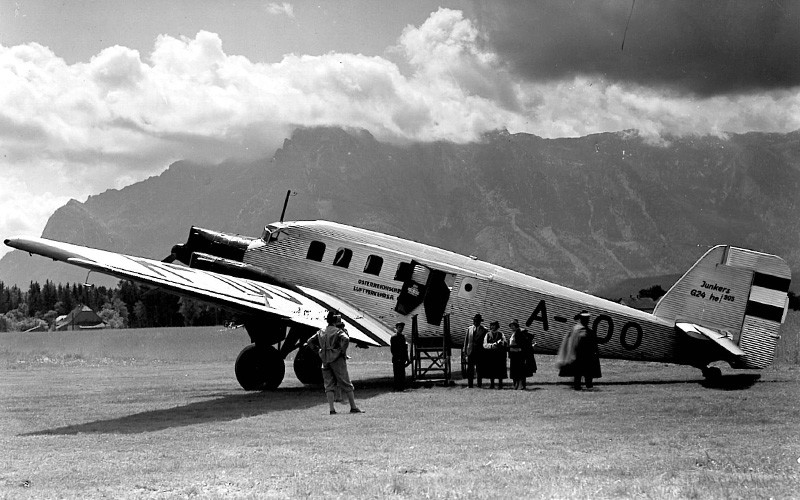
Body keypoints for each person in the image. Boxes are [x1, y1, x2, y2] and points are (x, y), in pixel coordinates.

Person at [305, 311, 363, 414]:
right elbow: (346, 339)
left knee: (328, 385)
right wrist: (342, 351)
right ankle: (353, 407)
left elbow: (309, 341)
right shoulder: (337, 331)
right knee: (346, 383)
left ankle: (332, 409)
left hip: (325, 359)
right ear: (335, 321)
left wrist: (318, 351)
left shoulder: (321, 331)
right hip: (337, 359)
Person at [556, 310, 602, 390]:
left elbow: (593, 343)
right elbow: (571, 343)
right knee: (578, 372)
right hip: (578, 355)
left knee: (587, 372)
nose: (587, 320)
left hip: (587, 355)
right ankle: (578, 386)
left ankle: (588, 385)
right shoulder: (576, 329)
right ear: (581, 319)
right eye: (585, 318)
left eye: (587, 318)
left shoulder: (589, 331)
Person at [507, 319, 535, 390]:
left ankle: (521, 385)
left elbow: (522, 344)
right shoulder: (513, 333)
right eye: (511, 326)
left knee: (520, 370)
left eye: (513, 325)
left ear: (516, 326)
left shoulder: (520, 333)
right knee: (514, 371)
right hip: (513, 354)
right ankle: (515, 384)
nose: (512, 327)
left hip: (519, 354)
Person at [463, 313, 487, 388]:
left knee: (479, 368)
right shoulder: (469, 329)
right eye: (474, 320)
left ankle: (479, 384)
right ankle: (470, 385)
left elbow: (485, 341)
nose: (475, 322)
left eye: (477, 321)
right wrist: (465, 351)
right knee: (470, 369)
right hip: (470, 351)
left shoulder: (484, 330)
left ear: (480, 322)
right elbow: (466, 341)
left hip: (480, 352)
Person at [482, 321, 507, 389]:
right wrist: (493, 345)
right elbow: (485, 345)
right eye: (491, 325)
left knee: (500, 369)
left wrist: (501, 343)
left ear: (497, 326)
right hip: (491, 354)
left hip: (499, 355)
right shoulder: (487, 334)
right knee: (491, 369)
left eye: (494, 325)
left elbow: (505, 342)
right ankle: (492, 384)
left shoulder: (501, 334)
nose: (492, 327)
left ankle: (500, 384)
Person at [390, 322, 410, 391]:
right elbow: (393, 349)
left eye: (402, 327)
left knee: (402, 374)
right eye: (399, 327)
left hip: (402, 358)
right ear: (396, 328)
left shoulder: (403, 337)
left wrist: (407, 359)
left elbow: (405, 349)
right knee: (396, 374)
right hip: (396, 358)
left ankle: (401, 387)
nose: (401, 329)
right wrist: (397, 357)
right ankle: (396, 388)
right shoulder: (393, 338)